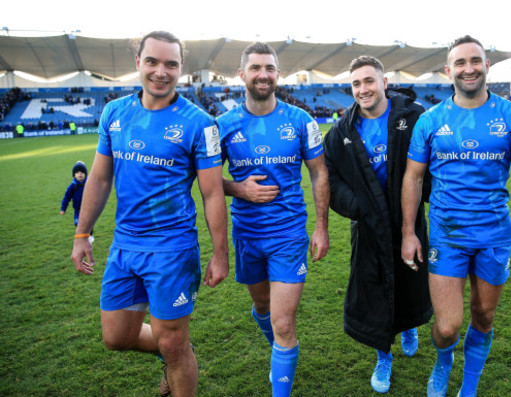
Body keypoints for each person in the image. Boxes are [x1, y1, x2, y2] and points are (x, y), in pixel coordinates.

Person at [70, 31, 229, 397]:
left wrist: (220, 254)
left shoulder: (200, 123)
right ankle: (174, 351)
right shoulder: (115, 112)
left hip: (172, 251)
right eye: (153, 62)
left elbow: (211, 193)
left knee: (173, 343)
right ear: (137, 63)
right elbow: (99, 177)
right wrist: (82, 234)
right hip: (124, 247)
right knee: (116, 337)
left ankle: (176, 354)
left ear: (180, 69)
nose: (161, 71)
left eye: (171, 64)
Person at [401, 35, 511, 397]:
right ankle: (443, 362)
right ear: (448, 70)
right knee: (449, 326)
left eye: (475, 61)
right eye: (460, 62)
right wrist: (409, 232)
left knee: (484, 317)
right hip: (446, 234)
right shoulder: (431, 120)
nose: (468, 68)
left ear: (487, 65)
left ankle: (468, 387)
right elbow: (413, 177)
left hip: (493, 235)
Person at [216, 42, 329, 397]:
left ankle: (281, 367)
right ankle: (280, 352)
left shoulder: (300, 121)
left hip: (288, 235)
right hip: (247, 235)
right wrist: (239, 189)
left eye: (269, 68)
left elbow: (319, 173)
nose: (263, 74)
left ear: (278, 74)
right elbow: (202, 179)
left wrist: (321, 227)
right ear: (242, 75)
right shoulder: (222, 125)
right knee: (262, 308)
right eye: (255, 68)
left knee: (283, 321)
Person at [323, 56, 432, 394]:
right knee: (373, 291)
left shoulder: (413, 118)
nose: (362, 89)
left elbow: (434, 161)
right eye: (356, 84)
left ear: (384, 83)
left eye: (369, 81)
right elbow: (330, 178)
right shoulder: (342, 130)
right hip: (369, 227)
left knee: (411, 282)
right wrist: (356, 207)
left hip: (410, 221)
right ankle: (384, 356)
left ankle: (409, 327)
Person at [60, 160, 94, 242]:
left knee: (89, 222)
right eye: (77, 172)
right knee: (78, 223)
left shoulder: (89, 183)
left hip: (88, 208)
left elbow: (96, 193)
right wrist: (63, 208)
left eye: (82, 172)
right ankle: (82, 235)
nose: (80, 174)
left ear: (85, 174)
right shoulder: (72, 186)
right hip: (78, 209)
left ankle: (90, 235)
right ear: (74, 175)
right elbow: (66, 197)